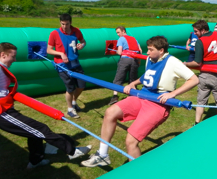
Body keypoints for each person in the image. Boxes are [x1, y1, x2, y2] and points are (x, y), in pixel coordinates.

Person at [81, 36, 199, 167]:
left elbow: (194, 79)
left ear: (161, 50)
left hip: (158, 104)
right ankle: (103, 155)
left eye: (150, 49)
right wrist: (133, 83)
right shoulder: (150, 59)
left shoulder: (172, 62)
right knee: (110, 112)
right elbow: (148, 75)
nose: (146, 52)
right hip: (142, 96)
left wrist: (173, 94)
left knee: (130, 141)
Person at [0, 42, 91, 169]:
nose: (15, 59)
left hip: (4, 111)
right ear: (3, 55)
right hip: (2, 114)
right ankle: (72, 151)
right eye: (13, 56)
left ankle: (35, 161)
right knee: (40, 129)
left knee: (33, 132)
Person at [185, 20, 217, 125]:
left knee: (201, 102)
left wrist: (185, 64)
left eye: (196, 31)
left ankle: (196, 123)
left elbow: (197, 62)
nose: (195, 34)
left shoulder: (200, 41)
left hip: (205, 76)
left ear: (202, 30)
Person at [47, 13, 86, 118]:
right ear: (60, 22)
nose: (64, 26)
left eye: (67, 24)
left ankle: (74, 102)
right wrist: (61, 53)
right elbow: (49, 50)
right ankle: (70, 109)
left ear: (71, 23)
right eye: (62, 24)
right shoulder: (54, 33)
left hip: (75, 63)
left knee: (82, 85)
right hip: (62, 65)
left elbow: (83, 41)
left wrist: (81, 45)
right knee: (70, 88)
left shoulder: (76, 31)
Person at [108, 26, 142, 105]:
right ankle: (134, 96)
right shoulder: (134, 39)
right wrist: (139, 61)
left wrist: (116, 51)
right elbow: (140, 50)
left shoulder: (121, 39)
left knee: (118, 78)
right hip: (135, 60)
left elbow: (120, 52)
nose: (117, 34)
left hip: (125, 60)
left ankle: (115, 96)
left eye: (118, 32)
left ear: (123, 31)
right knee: (132, 79)